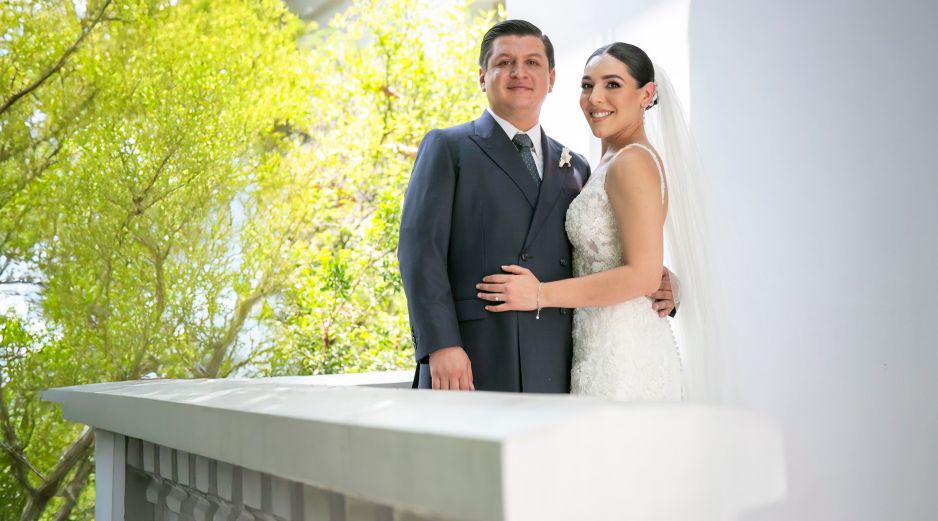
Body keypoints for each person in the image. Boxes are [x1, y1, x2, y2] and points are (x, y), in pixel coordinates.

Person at [397, 22, 677, 393]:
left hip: (558, 360)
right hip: (475, 358)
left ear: (551, 79)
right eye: (504, 63)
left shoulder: (576, 164)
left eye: (532, 62)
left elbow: (596, 248)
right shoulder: (449, 148)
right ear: (483, 77)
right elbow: (419, 253)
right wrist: (441, 345)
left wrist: (657, 279)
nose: (519, 73)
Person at [476, 42, 711, 401]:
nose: (595, 98)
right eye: (587, 85)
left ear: (646, 94)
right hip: (598, 346)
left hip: (623, 354)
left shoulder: (632, 162)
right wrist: (664, 278)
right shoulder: (599, 164)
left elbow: (642, 275)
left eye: (612, 85)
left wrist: (540, 294)